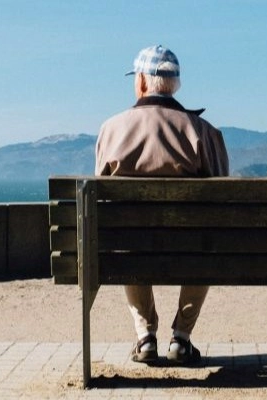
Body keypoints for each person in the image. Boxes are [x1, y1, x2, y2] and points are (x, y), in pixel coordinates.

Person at [95, 45, 229, 364]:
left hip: (132, 247)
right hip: (190, 248)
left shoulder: (112, 129)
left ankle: (145, 337)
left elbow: (99, 199)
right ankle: (181, 338)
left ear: (142, 81)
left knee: (125, 238)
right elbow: (224, 197)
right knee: (206, 242)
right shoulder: (204, 132)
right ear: (174, 85)